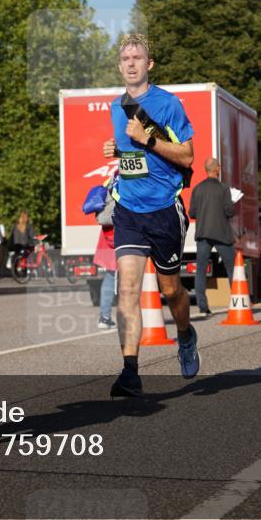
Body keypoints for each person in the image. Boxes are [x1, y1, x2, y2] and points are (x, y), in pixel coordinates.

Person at [101, 33, 197, 396]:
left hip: (163, 209)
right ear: (119, 65)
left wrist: (148, 139)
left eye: (137, 58)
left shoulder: (168, 104)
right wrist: (116, 151)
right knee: (127, 288)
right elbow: (133, 157)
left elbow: (187, 155)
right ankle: (130, 372)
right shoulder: (116, 106)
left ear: (149, 64)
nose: (131, 64)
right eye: (125, 58)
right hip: (128, 208)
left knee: (170, 290)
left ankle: (185, 335)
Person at [189, 157, 236, 317]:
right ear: (217, 169)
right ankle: (237, 301)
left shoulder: (197, 189)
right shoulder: (224, 188)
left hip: (202, 234)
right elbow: (230, 211)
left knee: (201, 271)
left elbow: (192, 213)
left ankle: (203, 307)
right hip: (221, 234)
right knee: (232, 268)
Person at [93, 173, 118, 330]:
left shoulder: (110, 181)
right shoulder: (133, 178)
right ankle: (133, 316)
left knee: (110, 276)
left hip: (108, 234)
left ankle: (104, 317)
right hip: (125, 233)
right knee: (134, 277)